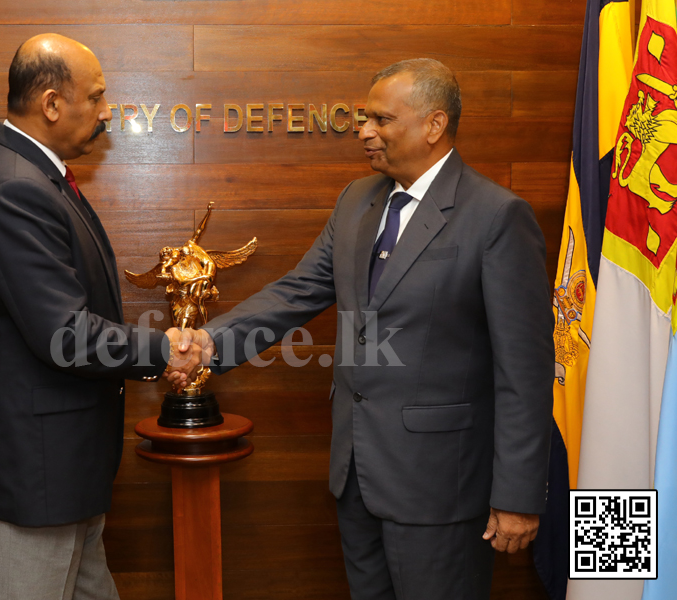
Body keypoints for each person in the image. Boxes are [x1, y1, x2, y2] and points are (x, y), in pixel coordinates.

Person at [171, 58, 554, 599]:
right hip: (356, 475)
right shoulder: (357, 201)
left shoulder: (495, 217)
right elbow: (296, 291)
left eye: (380, 119)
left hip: (440, 487)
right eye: (361, 118)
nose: (364, 131)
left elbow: (526, 369)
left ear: (433, 125)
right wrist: (208, 344)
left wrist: (517, 495)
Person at [0, 34, 202, 600]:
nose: (108, 111)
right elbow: (65, 334)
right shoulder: (16, 187)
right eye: (99, 96)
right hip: (33, 477)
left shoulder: (37, 176)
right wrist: (166, 351)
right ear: (53, 103)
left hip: (62, 472)